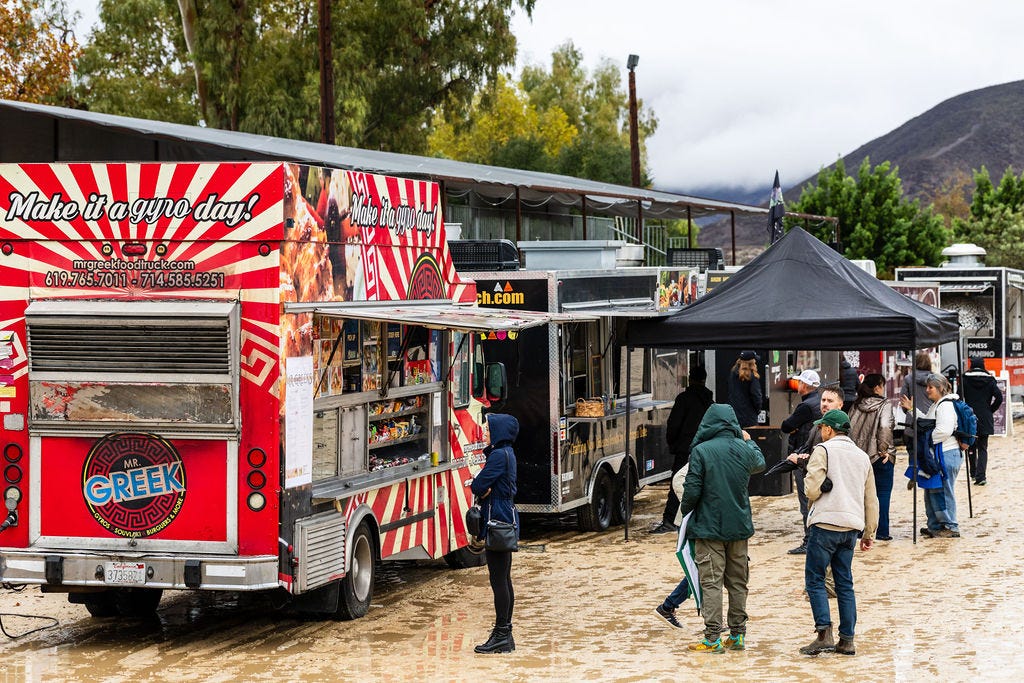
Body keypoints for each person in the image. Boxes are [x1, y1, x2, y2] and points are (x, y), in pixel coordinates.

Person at [678, 404, 765, 653]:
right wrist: (749, 440)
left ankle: (713, 639)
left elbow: (692, 489)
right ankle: (737, 636)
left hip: (708, 529)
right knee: (738, 582)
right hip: (739, 528)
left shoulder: (701, 451)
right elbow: (760, 463)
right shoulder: (743, 449)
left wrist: (685, 514)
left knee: (712, 583)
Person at [799, 410, 878, 657]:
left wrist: (820, 486)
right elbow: (871, 499)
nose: (820, 431)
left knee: (815, 580)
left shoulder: (823, 450)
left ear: (829, 429)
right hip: (851, 528)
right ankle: (847, 640)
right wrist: (869, 533)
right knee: (845, 583)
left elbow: (811, 491)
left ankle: (824, 634)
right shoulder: (862, 456)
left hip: (825, 524)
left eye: (821, 427)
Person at [471, 413, 520, 654]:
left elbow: (478, 485)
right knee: (504, 578)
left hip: (497, 520)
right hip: (505, 516)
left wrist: (482, 489)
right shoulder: (506, 453)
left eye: (489, 429)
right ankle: (505, 635)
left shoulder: (499, 455)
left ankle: (502, 634)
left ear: (499, 432)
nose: (486, 433)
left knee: (498, 579)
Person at [652, 365, 714, 534]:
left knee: (677, 483)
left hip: (685, 449)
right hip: (705, 449)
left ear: (690, 379)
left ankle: (670, 520)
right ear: (704, 380)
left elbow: (673, 425)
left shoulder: (684, 399)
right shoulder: (710, 401)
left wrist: (673, 444)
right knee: (704, 484)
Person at [899, 373, 962, 538]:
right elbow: (926, 422)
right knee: (933, 489)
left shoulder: (945, 406)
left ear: (940, 388)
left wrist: (925, 440)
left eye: (930, 387)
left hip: (946, 454)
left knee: (943, 491)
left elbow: (944, 431)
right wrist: (912, 410)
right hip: (940, 454)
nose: (927, 390)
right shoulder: (937, 405)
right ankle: (935, 526)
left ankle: (950, 526)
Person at [785, 385, 843, 555]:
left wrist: (801, 460)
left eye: (830, 401)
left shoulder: (839, 427)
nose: (825, 404)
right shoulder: (819, 423)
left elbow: (829, 458)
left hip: (825, 482)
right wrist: (799, 454)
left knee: (816, 512)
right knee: (808, 509)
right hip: (813, 476)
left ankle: (812, 544)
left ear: (840, 404)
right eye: (823, 400)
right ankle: (810, 541)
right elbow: (810, 448)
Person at [849, 374, 895, 541]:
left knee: (860, 495)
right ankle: (880, 532)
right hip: (880, 458)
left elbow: (849, 428)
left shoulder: (856, 404)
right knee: (882, 494)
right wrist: (883, 450)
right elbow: (885, 427)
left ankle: (860, 530)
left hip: (858, 458)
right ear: (877, 387)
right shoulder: (885, 404)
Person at [781, 369, 822, 555]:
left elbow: (786, 426)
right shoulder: (819, 401)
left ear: (804, 385)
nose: (797, 385)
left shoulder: (805, 406)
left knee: (805, 501)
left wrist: (794, 429)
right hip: (817, 456)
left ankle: (809, 541)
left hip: (803, 457)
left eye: (799, 382)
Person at [962, 356, 1002, 486]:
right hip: (985, 417)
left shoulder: (965, 379)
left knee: (971, 445)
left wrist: (963, 412)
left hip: (969, 416)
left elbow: (958, 397)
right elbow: (999, 398)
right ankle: (981, 477)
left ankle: (973, 473)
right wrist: (990, 410)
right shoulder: (990, 380)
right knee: (983, 447)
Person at [727, 351, 762, 428]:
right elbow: (756, 396)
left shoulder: (733, 373)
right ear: (751, 363)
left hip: (734, 416)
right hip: (749, 418)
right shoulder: (752, 376)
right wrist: (758, 410)